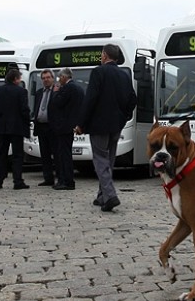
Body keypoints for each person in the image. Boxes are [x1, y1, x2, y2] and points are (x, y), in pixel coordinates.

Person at [75, 44, 136, 211]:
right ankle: (102, 196)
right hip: (116, 126)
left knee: (100, 159)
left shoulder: (98, 72)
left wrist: (81, 123)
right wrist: (122, 118)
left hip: (99, 125)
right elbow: (132, 99)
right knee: (108, 160)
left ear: (104, 55)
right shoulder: (124, 75)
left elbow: (90, 99)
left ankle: (109, 195)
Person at [0, 69, 31, 190]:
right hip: (17, 128)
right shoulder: (21, 91)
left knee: (0, 154)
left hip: (1, 128)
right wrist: (27, 123)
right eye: (19, 78)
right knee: (17, 155)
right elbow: (24, 110)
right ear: (15, 79)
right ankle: (17, 181)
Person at [49, 67, 84, 190]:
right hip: (71, 125)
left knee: (64, 155)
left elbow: (58, 103)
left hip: (63, 126)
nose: (59, 80)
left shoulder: (67, 88)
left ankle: (66, 181)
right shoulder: (79, 88)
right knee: (66, 153)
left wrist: (55, 92)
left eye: (60, 78)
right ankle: (68, 180)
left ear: (64, 77)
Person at [33, 69, 58, 187]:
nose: (46, 80)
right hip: (41, 127)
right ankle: (48, 178)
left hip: (53, 127)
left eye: (48, 77)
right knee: (45, 154)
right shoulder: (39, 93)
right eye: (43, 78)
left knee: (57, 154)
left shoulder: (57, 91)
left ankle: (60, 177)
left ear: (53, 78)